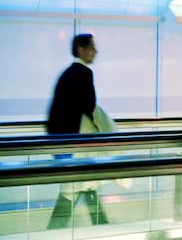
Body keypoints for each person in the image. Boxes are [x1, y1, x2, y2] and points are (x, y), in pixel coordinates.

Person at [46, 33, 109, 229]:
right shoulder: (84, 73)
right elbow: (90, 108)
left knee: (81, 184)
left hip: (62, 143)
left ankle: (102, 226)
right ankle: (55, 230)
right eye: (92, 47)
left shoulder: (66, 74)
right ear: (81, 49)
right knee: (76, 186)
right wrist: (104, 129)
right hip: (76, 144)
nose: (96, 51)